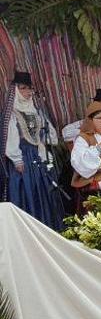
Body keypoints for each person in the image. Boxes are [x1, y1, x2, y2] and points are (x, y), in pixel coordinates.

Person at [1, 71, 64, 229]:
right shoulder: (12, 114)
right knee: (27, 191)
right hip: (23, 158)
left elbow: (50, 134)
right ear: (15, 90)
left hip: (38, 156)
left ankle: (48, 225)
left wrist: (45, 140)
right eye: (23, 88)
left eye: (29, 89)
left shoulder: (36, 112)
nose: (28, 92)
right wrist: (17, 159)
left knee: (43, 190)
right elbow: (9, 137)